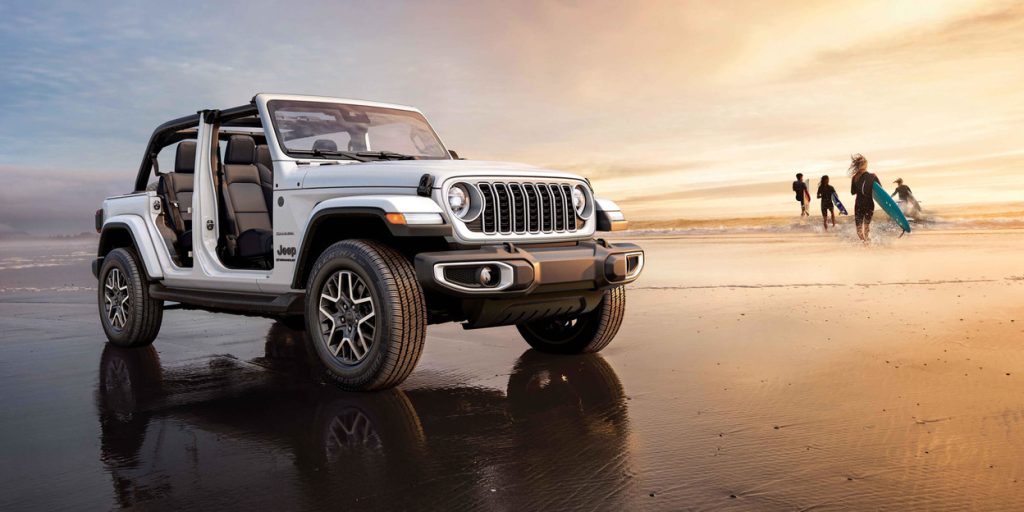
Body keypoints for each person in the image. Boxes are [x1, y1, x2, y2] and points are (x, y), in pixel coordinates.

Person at [849, 154, 879, 243]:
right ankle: (867, 242)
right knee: (866, 226)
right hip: (869, 204)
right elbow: (879, 190)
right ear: (866, 165)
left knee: (859, 229)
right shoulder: (872, 176)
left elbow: (852, 192)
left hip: (859, 204)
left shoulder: (854, 178)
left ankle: (864, 242)